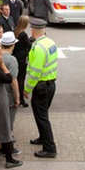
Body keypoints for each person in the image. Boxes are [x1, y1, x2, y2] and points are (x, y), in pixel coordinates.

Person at [24, 17, 58, 158]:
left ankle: (50, 148)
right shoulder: (50, 42)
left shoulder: (38, 48)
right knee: (43, 114)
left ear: (33, 30)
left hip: (41, 86)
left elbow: (35, 73)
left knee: (42, 116)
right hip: (51, 84)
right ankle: (43, 138)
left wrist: (27, 89)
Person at [13, 15, 32, 108]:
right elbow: (29, 45)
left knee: (16, 77)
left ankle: (16, 96)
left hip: (15, 56)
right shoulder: (23, 34)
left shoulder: (15, 31)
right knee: (21, 78)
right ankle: (21, 99)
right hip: (22, 58)